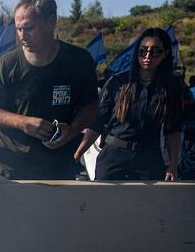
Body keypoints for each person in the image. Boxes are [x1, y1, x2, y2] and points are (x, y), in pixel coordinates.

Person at [0, 0, 99, 180]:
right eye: (18, 29)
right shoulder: (7, 64)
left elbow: (90, 106)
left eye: (29, 28)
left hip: (60, 167)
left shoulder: (78, 60)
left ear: (51, 22)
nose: (22, 36)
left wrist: (73, 130)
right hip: (11, 168)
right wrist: (23, 122)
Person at [74, 28, 187, 181]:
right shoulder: (118, 83)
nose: (148, 56)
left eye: (155, 52)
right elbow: (99, 121)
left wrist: (173, 165)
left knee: (146, 204)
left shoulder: (171, 87)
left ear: (165, 54)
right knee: (105, 202)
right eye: (143, 51)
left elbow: (173, 130)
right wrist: (79, 152)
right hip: (113, 154)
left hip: (149, 158)